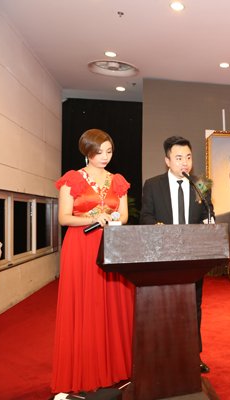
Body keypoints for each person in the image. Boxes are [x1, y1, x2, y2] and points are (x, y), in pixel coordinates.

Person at [52, 129, 133, 394]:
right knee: (85, 303)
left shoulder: (117, 180)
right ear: (87, 152)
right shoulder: (72, 179)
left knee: (111, 304)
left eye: (109, 151)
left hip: (111, 245)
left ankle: (116, 367)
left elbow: (124, 216)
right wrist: (92, 219)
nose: (105, 157)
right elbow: (64, 218)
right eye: (99, 152)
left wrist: (112, 219)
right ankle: (85, 368)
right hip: (81, 246)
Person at [139, 136, 212, 374]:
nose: (185, 163)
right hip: (165, 256)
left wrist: (209, 222)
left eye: (188, 157)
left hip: (193, 256)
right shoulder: (153, 185)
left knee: (193, 306)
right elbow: (145, 216)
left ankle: (193, 356)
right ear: (167, 160)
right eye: (179, 158)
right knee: (164, 306)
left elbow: (208, 213)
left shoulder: (200, 184)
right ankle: (163, 356)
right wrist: (159, 230)